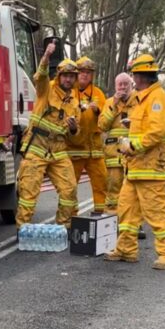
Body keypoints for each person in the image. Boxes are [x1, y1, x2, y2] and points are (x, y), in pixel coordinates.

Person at [104, 54, 165, 270]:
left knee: (157, 213)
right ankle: (126, 249)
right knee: (126, 211)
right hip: (135, 168)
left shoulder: (158, 98)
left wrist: (133, 146)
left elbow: (157, 131)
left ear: (142, 75)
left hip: (151, 168)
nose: (133, 79)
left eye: (134, 74)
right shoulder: (141, 98)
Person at [16, 41, 80, 229]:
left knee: (70, 190)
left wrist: (74, 129)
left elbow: (75, 136)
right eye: (65, 75)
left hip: (59, 151)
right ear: (59, 76)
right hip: (37, 148)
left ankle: (64, 227)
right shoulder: (47, 89)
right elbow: (40, 75)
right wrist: (46, 57)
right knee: (28, 193)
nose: (68, 80)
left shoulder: (74, 103)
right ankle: (23, 229)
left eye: (72, 77)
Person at [67, 56, 108, 213]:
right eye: (82, 72)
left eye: (88, 72)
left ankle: (101, 216)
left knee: (101, 183)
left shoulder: (98, 93)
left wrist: (97, 110)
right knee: (70, 186)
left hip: (94, 148)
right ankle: (70, 219)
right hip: (75, 148)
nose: (85, 75)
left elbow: (106, 117)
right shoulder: (69, 91)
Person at [97, 72, 135, 215]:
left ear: (131, 85)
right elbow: (102, 126)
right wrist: (114, 106)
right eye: (120, 84)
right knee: (113, 190)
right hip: (113, 155)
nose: (123, 87)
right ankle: (113, 221)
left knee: (132, 190)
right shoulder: (109, 102)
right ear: (115, 86)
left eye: (126, 84)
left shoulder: (138, 101)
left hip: (132, 154)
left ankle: (134, 224)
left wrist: (134, 124)